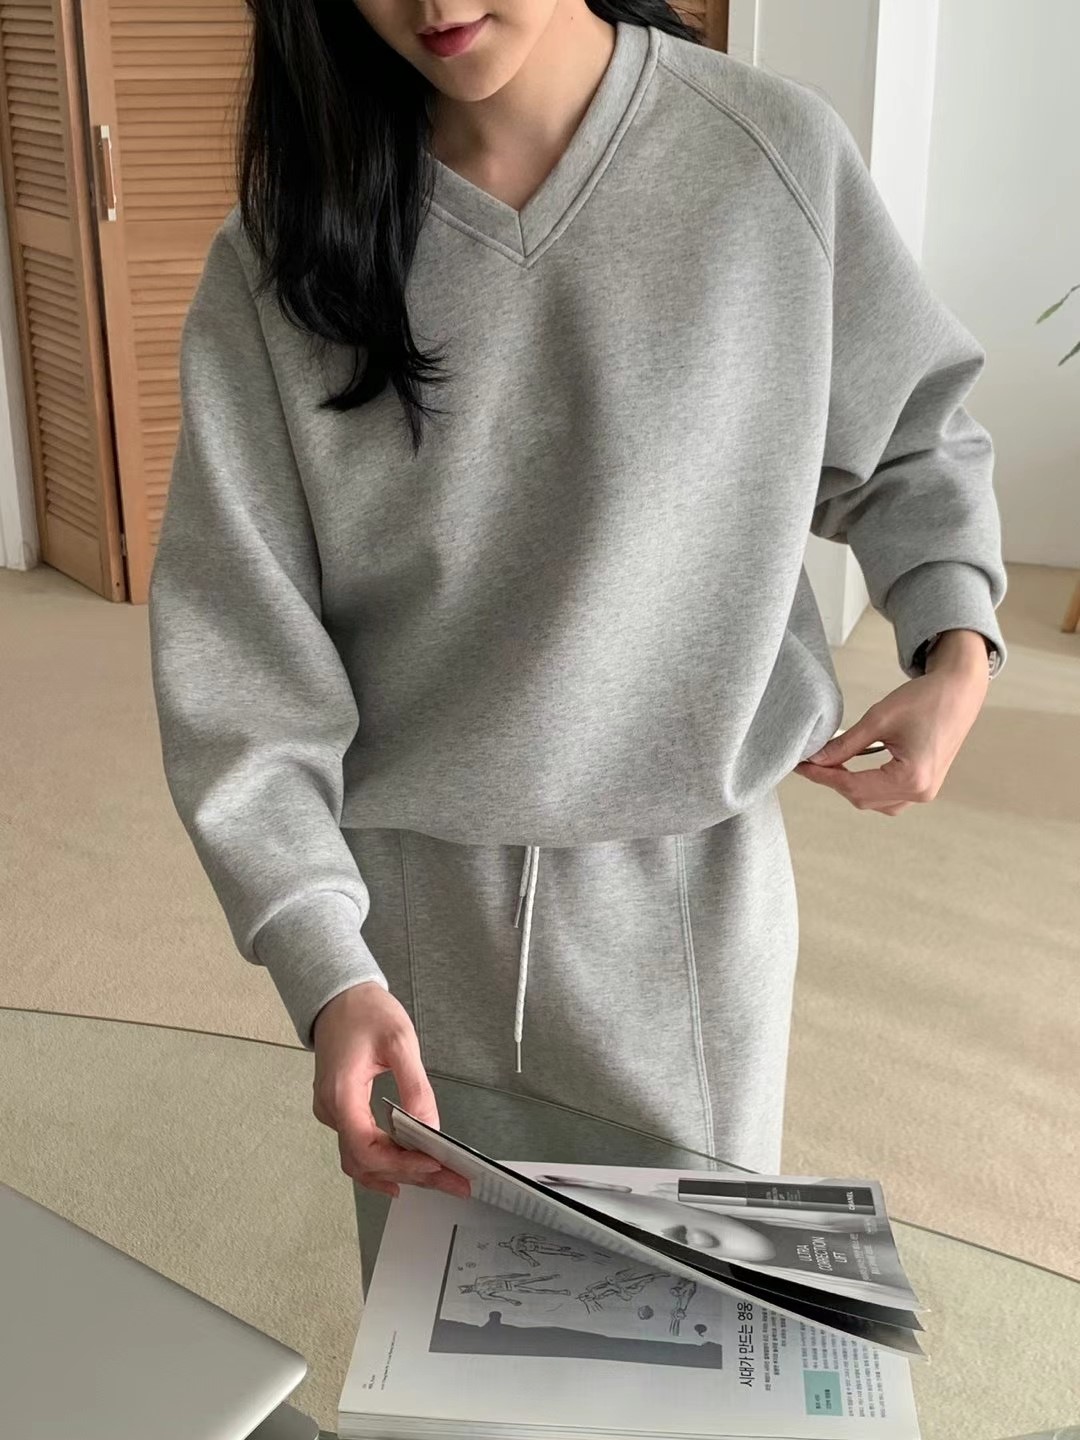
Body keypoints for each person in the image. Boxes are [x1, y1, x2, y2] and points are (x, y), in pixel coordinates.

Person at [148, 0, 1005, 1211]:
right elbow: (241, 666)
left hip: (694, 907)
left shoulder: (770, 155)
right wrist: (321, 960)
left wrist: (955, 643)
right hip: (409, 922)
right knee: (440, 1309)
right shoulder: (282, 258)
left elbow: (915, 432)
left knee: (685, 1308)